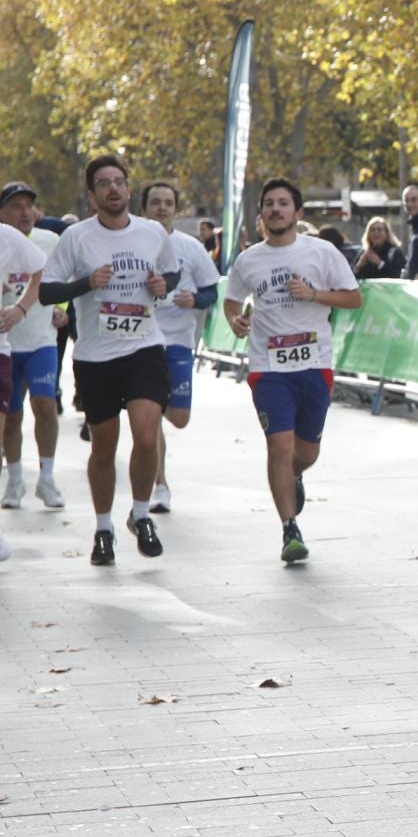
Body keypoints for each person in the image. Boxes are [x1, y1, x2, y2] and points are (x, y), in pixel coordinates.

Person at [39, 155, 178, 565]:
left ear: (129, 189)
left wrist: (160, 284)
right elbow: (47, 292)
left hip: (145, 349)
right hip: (96, 357)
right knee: (104, 447)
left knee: (147, 435)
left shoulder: (152, 232)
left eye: (119, 181)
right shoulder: (76, 238)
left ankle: (139, 514)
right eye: (104, 183)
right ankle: (103, 528)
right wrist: (86, 283)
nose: (113, 189)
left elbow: (171, 275)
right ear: (92, 193)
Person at [223, 179, 363, 563]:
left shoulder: (322, 252)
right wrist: (235, 320)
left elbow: (353, 297)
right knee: (279, 446)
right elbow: (232, 301)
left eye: (284, 203)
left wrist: (314, 295)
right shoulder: (249, 260)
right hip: (268, 367)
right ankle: (290, 530)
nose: (276, 209)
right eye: (269, 203)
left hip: (314, 363)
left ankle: (295, 475)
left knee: (306, 452)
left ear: (298, 214)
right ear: (262, 214)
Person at [138, 182, 221, 515]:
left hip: (179, 341)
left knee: (179, 418)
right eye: (155, 202)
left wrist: (195, 299)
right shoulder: (132, 242)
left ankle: (159, 479)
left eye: (168, 203)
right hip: (143, 342)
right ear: (144, 208)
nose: (162, 208)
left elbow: (212, 291)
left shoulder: (190, 247)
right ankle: (160, 485)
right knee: (150, 414)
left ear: (176, 208)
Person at [0, 184, 65, 513]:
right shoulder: (3, 241)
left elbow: (56, 278)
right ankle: (14, 480)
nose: (25, 212)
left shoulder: (48, 241)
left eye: (29, 206)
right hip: (8, 347)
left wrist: (61, 305)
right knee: (11, 418)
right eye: (16, 206)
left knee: (45, 406)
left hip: (41, 341)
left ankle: (47, 476)